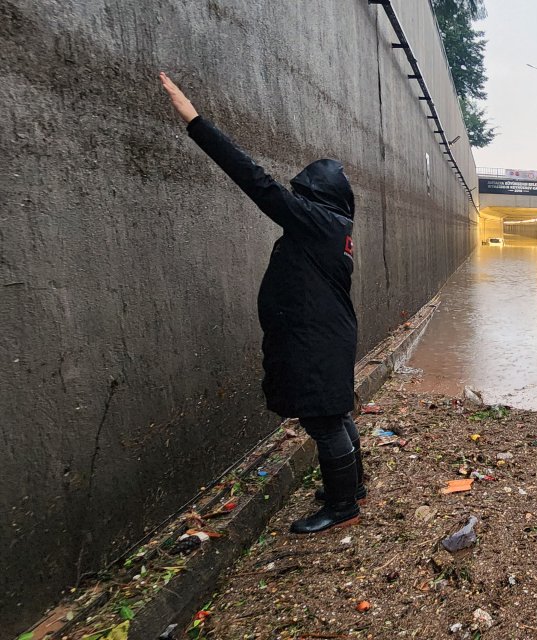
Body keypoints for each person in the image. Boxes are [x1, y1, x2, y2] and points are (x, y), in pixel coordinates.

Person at [159, 72, 366, 534]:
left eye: (303, 194)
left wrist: (194, 121)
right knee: (333, 414)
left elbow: (257, 182)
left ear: (316, 196)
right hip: (324, 334)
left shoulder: (317, 222)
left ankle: (343, 506)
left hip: (317, 339)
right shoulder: (333, 227)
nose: (296, 200)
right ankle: (351, 488)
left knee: (324, 421)